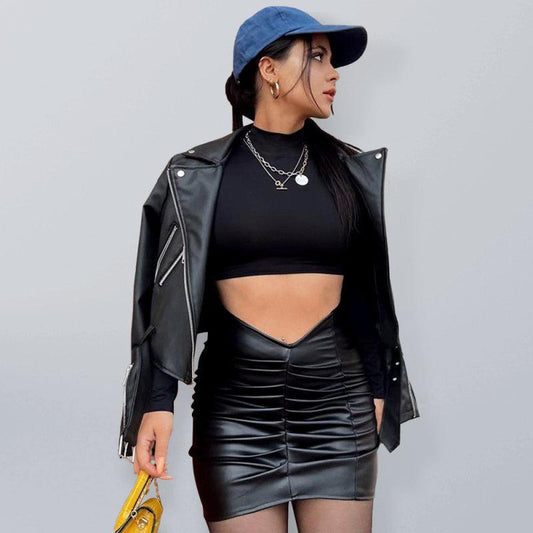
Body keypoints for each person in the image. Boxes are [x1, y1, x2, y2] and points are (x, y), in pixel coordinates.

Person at [124, 6, 420, 532]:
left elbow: (365, 297)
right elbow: (164, 301)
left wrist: (377, 387)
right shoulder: (195, 175)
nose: (334, 73)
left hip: (336, 406)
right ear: (269, 70)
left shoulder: (348, 171)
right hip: (236, 414)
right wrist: (157, 402)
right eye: (318, 57)